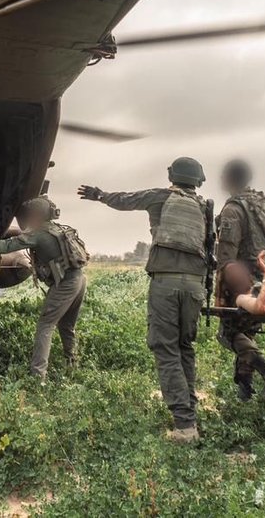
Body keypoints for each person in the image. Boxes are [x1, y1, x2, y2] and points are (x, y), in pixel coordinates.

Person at [78, 157, 212, 443]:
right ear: (198, 180)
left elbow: (126, 200)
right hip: (195, 286)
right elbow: (211, 247)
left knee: (165, 348)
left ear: (172, 176)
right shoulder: (204, 207)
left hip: (166, 282)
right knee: (185, 347)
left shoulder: (160, 197)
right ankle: (190, 411)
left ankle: (185, 425)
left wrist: (99, 195)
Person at [0, 196, 88, 380]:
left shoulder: (38, 234)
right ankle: (72, 365)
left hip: (65, 284)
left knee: (45, 326)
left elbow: (6, 246)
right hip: (79, 279)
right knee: (67, 326)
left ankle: (38, 376)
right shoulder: (57, 229)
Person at [214, 159, 265, 402]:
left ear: (228, 180)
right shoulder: (264, 202)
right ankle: (245, 392)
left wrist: (221, 292)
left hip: (247, 276)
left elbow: (225, 257)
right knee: (245, 332)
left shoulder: (232, 209)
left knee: (228, 332)